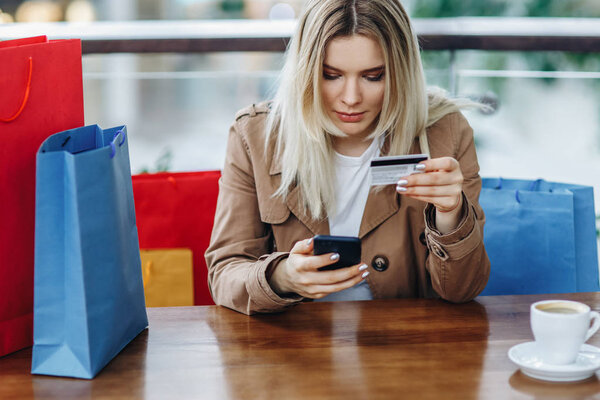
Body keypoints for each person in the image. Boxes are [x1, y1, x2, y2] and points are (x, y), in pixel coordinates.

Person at [205, 0, 490, 315]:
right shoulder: (256, 136)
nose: (351, 98)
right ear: (306, 71)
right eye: (330, 75)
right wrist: (282, 277)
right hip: (292, 345)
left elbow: (462, 290)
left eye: (373, 76)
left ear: (401, 72)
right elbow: (224, 274)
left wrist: (451, 215)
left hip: (406, 345)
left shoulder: (444, 132)